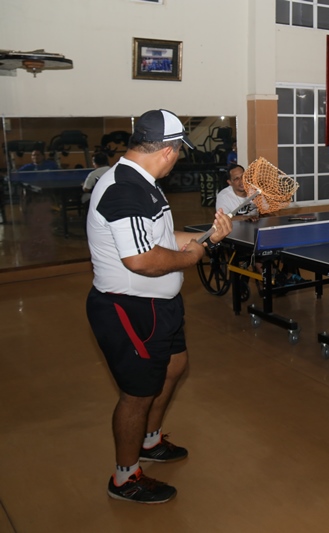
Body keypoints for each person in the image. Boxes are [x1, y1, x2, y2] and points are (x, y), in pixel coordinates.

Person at [85, 109, 233, 504]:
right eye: (178, 152)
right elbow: (142, 260)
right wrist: (193, 256)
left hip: (159, 304)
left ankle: (149, 441)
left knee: (175, 366)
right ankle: (125, 477)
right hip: (130, 309)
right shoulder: (124, 189)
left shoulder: (142, 181)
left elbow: (162, 238)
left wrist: (209, 236)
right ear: (168, 151)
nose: (177, 159)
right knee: (137, 393)